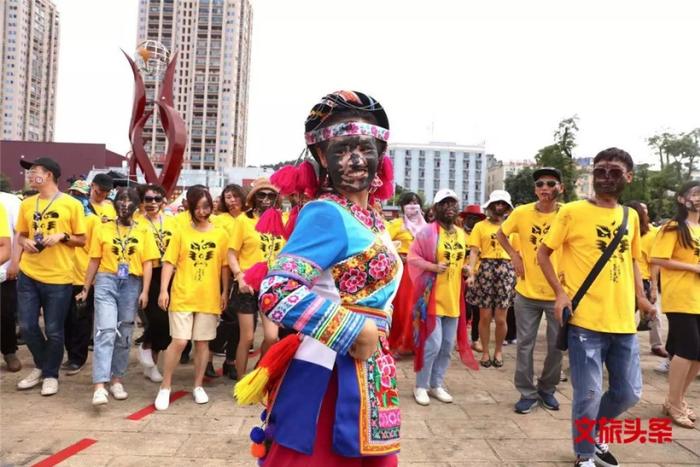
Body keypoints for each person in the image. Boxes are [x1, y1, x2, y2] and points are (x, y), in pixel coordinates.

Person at [239, 90, 401, 465]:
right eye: (342, 149)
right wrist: (353, 330)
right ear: (321, 158)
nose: (356, 159)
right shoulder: (326, 213)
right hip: (330, 373)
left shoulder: (374, 219)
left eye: (365, 147)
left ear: (381, 155)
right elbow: (277, 291)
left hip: (370, 372)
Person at [538, 147, 655, 467]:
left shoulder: (630, 216)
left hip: (623, 323)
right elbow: (543, 254)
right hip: (585, 321)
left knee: (629, 392)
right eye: (600, 171)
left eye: (614, 172)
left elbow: (631, 261)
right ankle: (585, 454)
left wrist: (641, 297)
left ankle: (595, 432)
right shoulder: (572, 211)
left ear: (628, 177)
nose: (605, 178)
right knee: (587, 394)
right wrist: (560, 294)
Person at [77, 187, 158, 405]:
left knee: (124, 332)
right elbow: (94, 259)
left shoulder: (143, 230)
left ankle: (117, 379)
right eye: (121, 200)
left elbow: (148, 262)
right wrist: (86, 287)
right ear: (115, 204)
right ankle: (99, 385)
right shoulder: (102, 228)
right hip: (106, 280)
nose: (124, 204)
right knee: (105, 330)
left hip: (131, 282)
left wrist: (145, 291)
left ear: (136, 206)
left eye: (129, 200)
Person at [15, 157, 86, 396]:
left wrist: (62, 237)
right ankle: (44, 366)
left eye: (35, 171)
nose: (30, 174)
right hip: (29, 273)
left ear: (49, 175)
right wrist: (25, 242)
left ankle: (49, 374)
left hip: (59, 278)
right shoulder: (27, 204)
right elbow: (22, 235)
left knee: (55, 330)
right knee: (26, 325)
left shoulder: (71, 204)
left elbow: (82, 239)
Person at [154, 186, 229, 410]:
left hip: (209, 296)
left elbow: (225, 266)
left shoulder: (221, 233)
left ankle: (198, 386)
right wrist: (163, 290)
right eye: (197, 207)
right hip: (182, 293)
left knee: (203, 342)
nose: (201, 211)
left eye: (205, 206)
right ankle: (165, 386)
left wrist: (225, 291)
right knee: (179, 341)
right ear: (189, 206)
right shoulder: (180, 231)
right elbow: (169, 262)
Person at [496, 167, 564, 414]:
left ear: (560, 188)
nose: (545, 188)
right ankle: (526, 392)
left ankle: (547, 389)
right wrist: (514, 255)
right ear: (535, 189)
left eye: (551, 183)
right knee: (525, 344)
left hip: (558, 293)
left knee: (557, 345)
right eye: (540, 184)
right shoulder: (522, 213)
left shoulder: (568, 214)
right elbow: (500, 233)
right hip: (526, 292)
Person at [409, 189, 473, 405]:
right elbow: (412, 258)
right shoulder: (426, 233)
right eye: (444, 203)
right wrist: (433, 267)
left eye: (452, 203)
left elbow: (465, 259)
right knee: (432, 344)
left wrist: (467, 269)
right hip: (431, 299)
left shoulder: (461, 233)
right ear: (435, 209)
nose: (449, 207)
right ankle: (421, 385)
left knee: (447, 345)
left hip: (453, 298)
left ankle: (436, 384)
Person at [651, 180, 700, 429]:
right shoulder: (672, 228)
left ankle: (678, 399)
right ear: (682, 199)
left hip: (699, 297)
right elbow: (659, 258)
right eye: (694, 194)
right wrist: (693, 267)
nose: (699, 198)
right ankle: (673, 401)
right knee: (688, 349)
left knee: (698, 355)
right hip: (680, 297)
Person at [228, 178, 285, 380]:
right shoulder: (243, 221)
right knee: (248, 337)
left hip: (272, 284)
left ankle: (256, 374)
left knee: (271, 336)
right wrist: (240, 277)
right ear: (254, 198)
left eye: (271, 195)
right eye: (262, 194)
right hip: (248, 285)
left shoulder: (282, 220)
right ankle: (241, 379)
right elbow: (232, 253)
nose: (267, 199)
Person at [466, 190, 515, 368]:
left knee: (502, 317)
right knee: (484, 316)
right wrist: (471, 272)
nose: (499, 207)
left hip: (506, 269)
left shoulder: (513, 226)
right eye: (496, 204)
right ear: (490, 206)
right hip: (485, 269)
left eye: (503, 204)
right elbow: (474, 251)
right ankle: (485, 351)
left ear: (507, 207)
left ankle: (499, 350)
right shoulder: (480, 226)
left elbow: (518, 251)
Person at [137, 184, 177, 383]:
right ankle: (145, 346)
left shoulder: (172, 221)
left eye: (157, 199)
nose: (152, 203)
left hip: (169, 272)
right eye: (148, 199)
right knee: (155, 317)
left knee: (167, 319)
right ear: (142, 202)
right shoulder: (136, 222)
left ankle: (152, 362)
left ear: (163, 201)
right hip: (146, 272)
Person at [206, 183, 246, 379]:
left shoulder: (250, 218)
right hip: (221, 273)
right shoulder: (217, 220)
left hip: (244, 276)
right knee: (227, 319)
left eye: (235, 196)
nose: (231, 200)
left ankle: (231, 361)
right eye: (227, 197)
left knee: (240, 323)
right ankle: (208, 356)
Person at [61, 180, 100, 376]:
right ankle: (70, 354)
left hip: (83, 278)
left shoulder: (92, 220)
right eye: (72, 193)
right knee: (66, 319)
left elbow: (96, 251)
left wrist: (91, 280)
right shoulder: (64, 217)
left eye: (79, 194)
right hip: (62, 275)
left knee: (81, 320)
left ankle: (78, 357)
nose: (75, 196)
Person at [626, 200, 668, 359]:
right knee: (626, 314)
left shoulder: (652, 234)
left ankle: (656, 345)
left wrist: (653, 286)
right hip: (625, 279)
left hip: (643, 279)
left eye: (645, 211)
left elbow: (654, 262)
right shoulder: (624, 230)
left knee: (653, 313)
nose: (645, 214)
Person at [387, 191, 425, 354]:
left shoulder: (426, 226)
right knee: (402, 308)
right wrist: (397, 256)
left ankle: (414, 344)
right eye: (409, 202)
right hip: (404, 272)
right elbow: (384, 243)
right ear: (402, 206)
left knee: (419, 308)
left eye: (416, 202)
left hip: (422, 272)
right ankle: (395, 344)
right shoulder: (396, 224)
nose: (413, 205)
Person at [459, 204, 486, 351]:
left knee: (477, 310)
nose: (472, 221)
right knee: (464, 310)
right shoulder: (458, 234)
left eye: (476, 219)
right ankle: (460, 339)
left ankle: (475, 339)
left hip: (478, 276)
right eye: (470, 218)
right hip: (460, 276)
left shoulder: (482, 234)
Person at [0, 190, 22, 372]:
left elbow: (19, 234)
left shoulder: (9, 201)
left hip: (4, 270)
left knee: (5, 314)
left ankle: (9, 350)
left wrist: (15, 262)